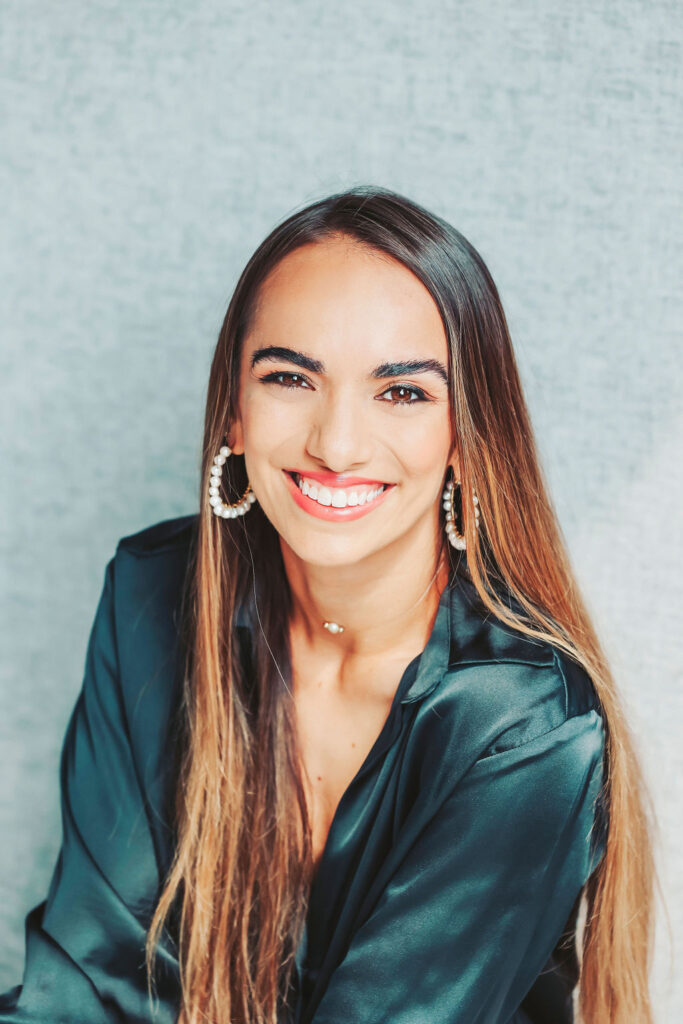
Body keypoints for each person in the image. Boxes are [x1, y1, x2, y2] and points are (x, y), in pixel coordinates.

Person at [0, 186, 656, 1024]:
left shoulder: (526, 724)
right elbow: (90, 990)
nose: (336, 444)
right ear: (234, 414)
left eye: (402, 392)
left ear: (466, 437)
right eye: (290, 378)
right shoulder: (151, 596)